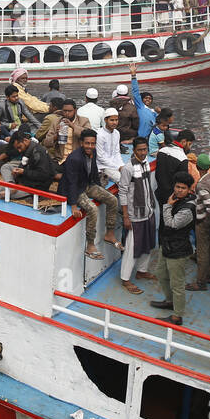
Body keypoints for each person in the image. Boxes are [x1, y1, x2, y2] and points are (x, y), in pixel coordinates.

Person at [61, 130, 118, 261]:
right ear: (81, 143)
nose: (90, 146)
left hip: (87, 184)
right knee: (92, 209)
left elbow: (93, 171)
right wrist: (74, 205)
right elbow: (72, 182)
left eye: (93, 144)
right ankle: (90, 244)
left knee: (113, 200)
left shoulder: (93, 153)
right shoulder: (74, 158)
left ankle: (109, 233)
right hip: (75, 189)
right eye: (87, 143)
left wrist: (99, 187)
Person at [150, 172, 196, 326]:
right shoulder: (176, 199)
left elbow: (172, 224)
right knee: (161, 273)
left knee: (177, 283)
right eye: (177, 187)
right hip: (167, 245)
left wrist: (167, 206)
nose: (179, 190)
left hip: (178, 249)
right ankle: (170, 301)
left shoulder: (188, 208)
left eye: (183, 188)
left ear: (190, 189)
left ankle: (177, 316)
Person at [117, 138, 159, 294]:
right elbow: (123, 192)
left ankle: (142, 271)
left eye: (145, 149)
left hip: (148, 211)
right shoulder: (128, 168)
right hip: (136, 214)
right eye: (140, 150)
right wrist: (126, 216)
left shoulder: (146, 162)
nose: (143, 152)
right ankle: (125, 279)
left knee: (148, 243)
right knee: (132, 248)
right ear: (134, 150)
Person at [189, 154, 210, 291]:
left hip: (204, 221)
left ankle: (200, 283)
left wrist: (204, 221)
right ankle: (208, 276)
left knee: (202, 252)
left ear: (197, 166)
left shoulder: (201, 185)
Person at [1, 129, 59, 197]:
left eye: (19, 147)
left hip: (36, 186)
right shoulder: (27, 148)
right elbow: (24, 164)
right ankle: (11, 185)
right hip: (26, 178)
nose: (19, 151)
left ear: (25, 140)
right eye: (17, 148)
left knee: (4, 194)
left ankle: (13, 189)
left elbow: (44, 175)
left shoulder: (39, 153)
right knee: (5, 167)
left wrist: (24, 172)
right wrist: (19, 170)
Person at [36, 99, 87, 163]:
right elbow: (46, 143)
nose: (67, 113)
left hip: (78, 160)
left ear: (75, 111)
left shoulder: (83, 121)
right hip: (60, 160)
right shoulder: (57, 122)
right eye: (65, 111)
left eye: (70, 111)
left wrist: (72, 126)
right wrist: (56, 136)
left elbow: (88, 135)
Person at [155, 129, 195, 203]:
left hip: (159, 194)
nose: (189, 148)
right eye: (189, 144)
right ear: (183, 141)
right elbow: (183, 181)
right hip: (173, 197)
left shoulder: (162, 151)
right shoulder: (182, 158)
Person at [95, 108, 124, 182]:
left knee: (130, 173)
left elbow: (117, 152)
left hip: (114, 164)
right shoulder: (99, 135)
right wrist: (118, 167)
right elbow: (100, 157)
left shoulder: (117, 133)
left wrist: (122, 165)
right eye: (112, 120)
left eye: (116, 120)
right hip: (103, 166)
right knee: (122, 178)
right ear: (105, 120)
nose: (114, 122)